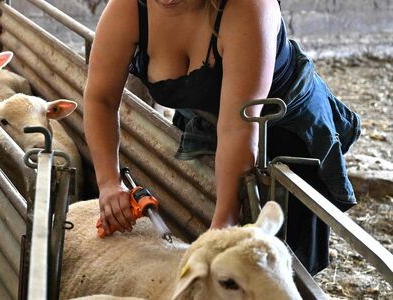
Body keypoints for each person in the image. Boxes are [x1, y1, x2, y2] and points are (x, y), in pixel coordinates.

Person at [83, 0, 361, 274]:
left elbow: (238, 127)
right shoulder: (129, 8)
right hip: (205, 117)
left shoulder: (248, 7)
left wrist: (223, 225)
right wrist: (109, 181)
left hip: (279, 127)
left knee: (278, 256)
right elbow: (101, 99)